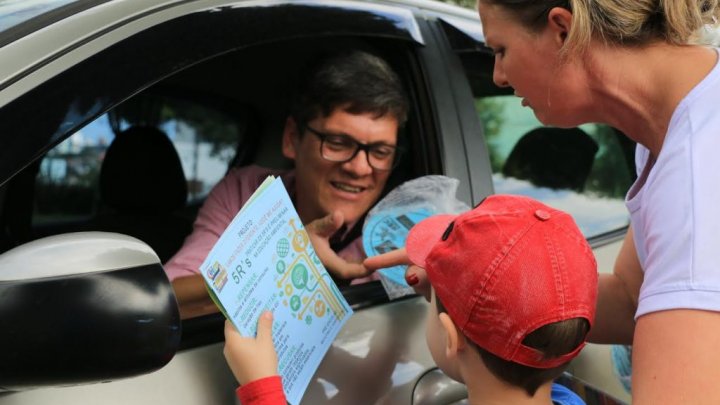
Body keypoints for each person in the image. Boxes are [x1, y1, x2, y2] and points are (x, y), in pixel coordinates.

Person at [370, 1, 720, 403]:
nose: (498, 76)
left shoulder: (699, 180)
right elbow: (629, 299)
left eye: (501, 50)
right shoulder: (670, 131)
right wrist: (466, 272)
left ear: (562, 31)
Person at [223, 195, 598, 404]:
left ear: (451, 338)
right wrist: (452, 297)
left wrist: (263, 389)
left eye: (433, 299)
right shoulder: (567, 400)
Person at [165, 50, 409, 318]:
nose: (360, 168)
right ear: (292, 139)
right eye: (338, 143)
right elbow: (170, 301)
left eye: (381, 152)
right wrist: (287, 259)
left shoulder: (402, 235)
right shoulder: (247, 193)